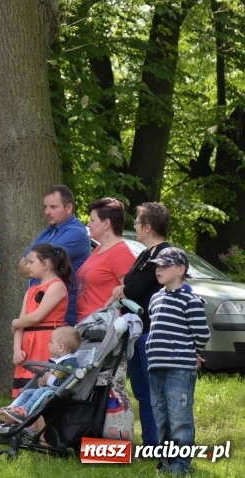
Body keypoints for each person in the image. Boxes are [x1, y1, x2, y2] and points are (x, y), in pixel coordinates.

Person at [107, 202, 171, 446]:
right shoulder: (145, 254)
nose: (134, 226)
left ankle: (162, 445)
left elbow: (133, 289)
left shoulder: (164, 255)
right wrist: (125, 291)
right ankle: (150, 443)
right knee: (143, 393)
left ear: (148, 226)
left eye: (136, 222)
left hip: (153, 333)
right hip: (137, 331)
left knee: (156, 393)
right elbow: (130, 287)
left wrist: (124, 291)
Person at [146, 248, 210, 475]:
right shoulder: (155, 298)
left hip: (179, 369)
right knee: (161, 417)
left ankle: (181, 464)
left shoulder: (190, 300)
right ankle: (164, 463)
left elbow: (202, 334)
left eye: (164, 266)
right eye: (157, 266)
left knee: (179, 417)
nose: (158, 269)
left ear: (180, 269)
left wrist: (193, 351)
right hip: (156, 367)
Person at [18, 185, 91, 325]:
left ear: (68, 208)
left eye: (53, 207)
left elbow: (36, 265)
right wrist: (32, 263)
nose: (47, 212)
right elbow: (22, 269)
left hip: (59, 315)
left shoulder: (76, 233)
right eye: (45, 207)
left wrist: (30, 262)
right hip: (36, 308)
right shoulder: (46, 233)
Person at [11, 243, 72, 397]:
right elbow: (23, 321)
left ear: (45, 264)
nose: (27, 266)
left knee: (42, 394)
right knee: (25, 394)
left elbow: (36, 317)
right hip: (28, 346)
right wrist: (17, 349)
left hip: (45, 345)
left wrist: (15, 323)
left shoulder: (57, 286)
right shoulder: (31, 290)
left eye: (31, 262)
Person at [0, 326, 81, 423]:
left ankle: (24, 412)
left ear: (61, 347)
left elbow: (67, 383)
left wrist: (49, 380)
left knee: (39, 391)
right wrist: (42, 382)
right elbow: (49, 378)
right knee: (28, 391)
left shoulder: (70, 363)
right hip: (49, 389)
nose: (48, 345)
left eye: (51, 342)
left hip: (61, 392)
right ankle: (12, 408)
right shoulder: (56, 361)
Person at [75, 197, 136, 322]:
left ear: (106, 223)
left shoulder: (120, 252)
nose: (88, 224)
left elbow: (132, 292)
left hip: (102, 327)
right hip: (85, 324)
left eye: (92, 220)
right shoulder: (98, 249)